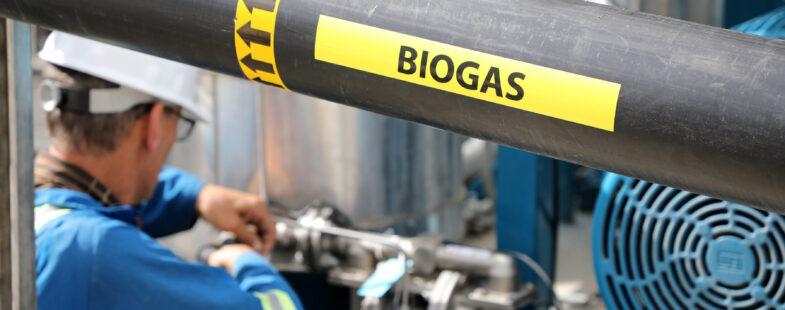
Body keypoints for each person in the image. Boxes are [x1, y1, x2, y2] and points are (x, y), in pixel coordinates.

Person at [33, 31, 303, 310]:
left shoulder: (23, 199)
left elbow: (86, 200)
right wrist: (248, 264)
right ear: (153, 125)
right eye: (179, 120)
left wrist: (196, 197)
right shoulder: (96, 253)